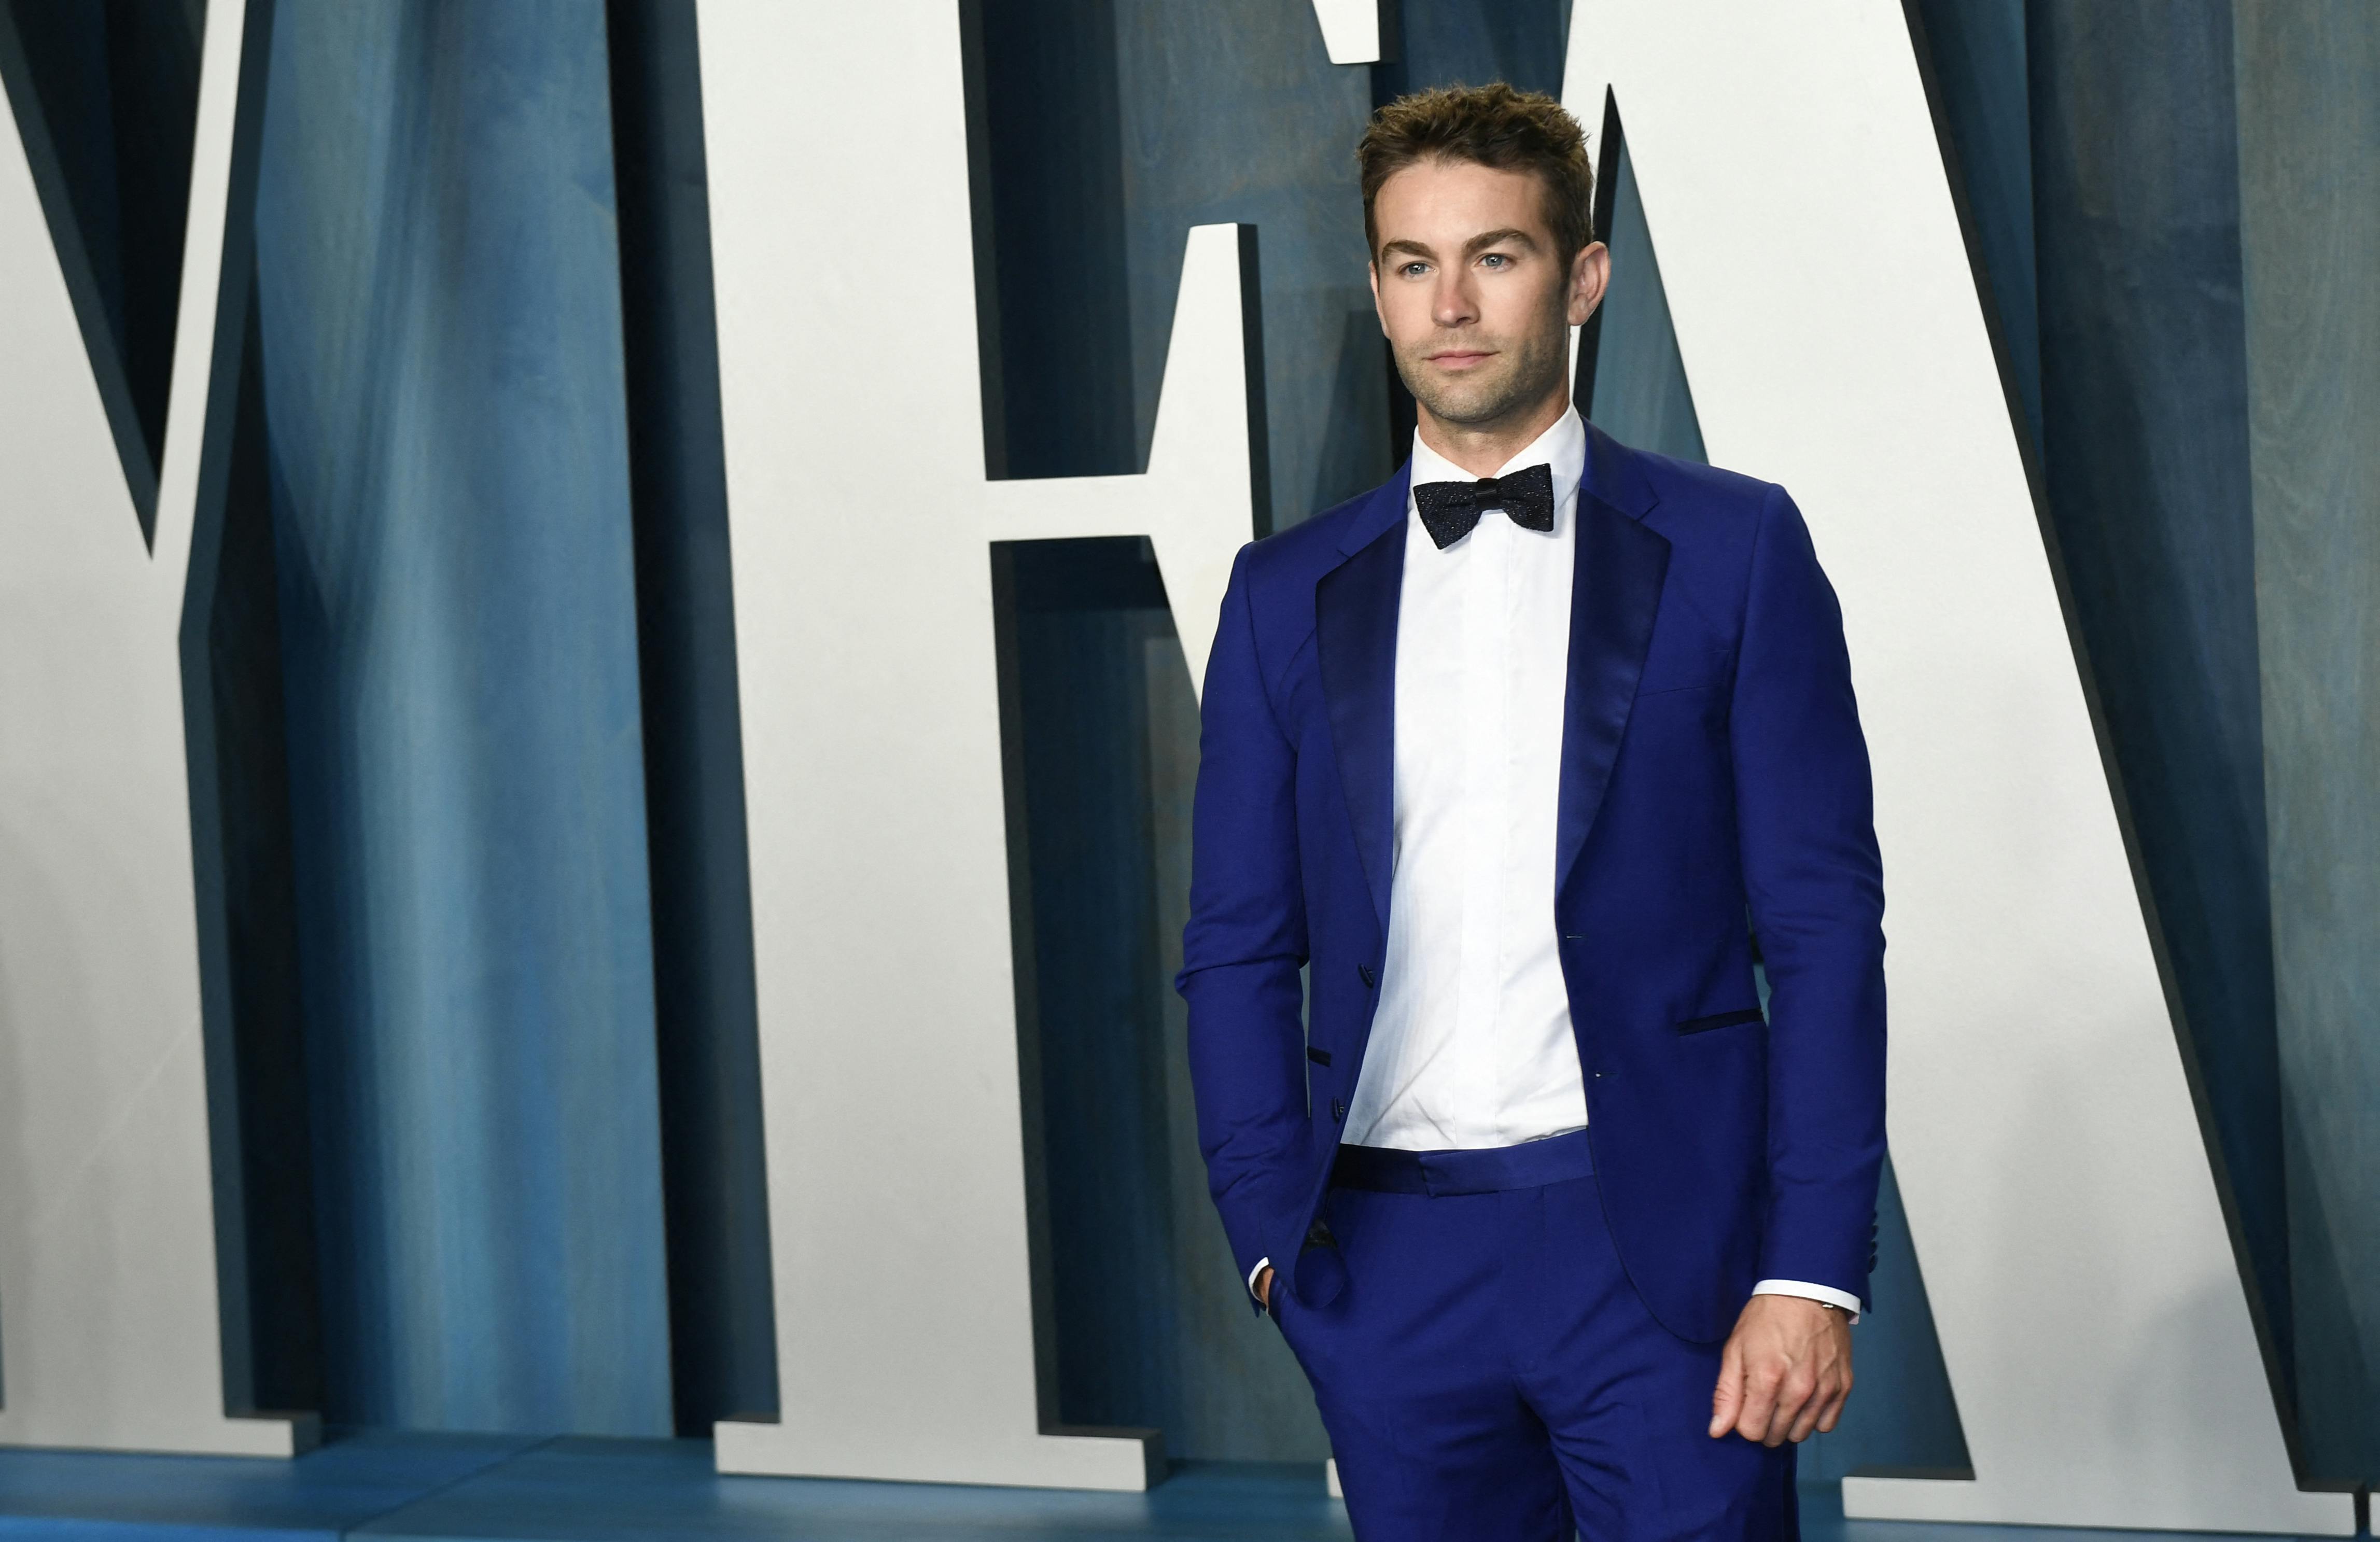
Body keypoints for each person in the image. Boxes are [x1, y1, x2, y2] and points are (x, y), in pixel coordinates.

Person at [1177, 82, 1885, 1539]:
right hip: (1386, 1262)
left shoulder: (1735, 549)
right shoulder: (1281, 593)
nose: (1452, 303)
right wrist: (1268, 1234)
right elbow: (1236, 943)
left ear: (1583, 277)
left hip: (1664, 1260)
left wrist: (1810, 1271)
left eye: (1495, 256)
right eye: (1412, 263)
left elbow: (1822, 931)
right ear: (1376, 290)